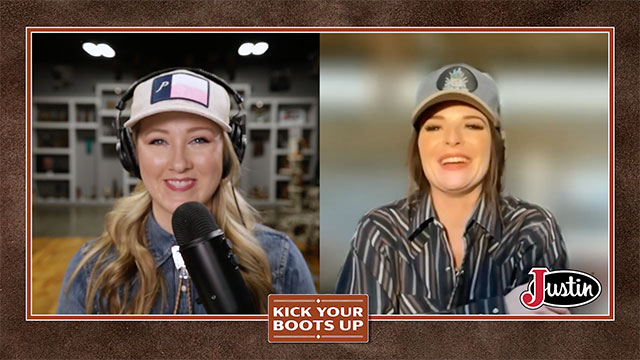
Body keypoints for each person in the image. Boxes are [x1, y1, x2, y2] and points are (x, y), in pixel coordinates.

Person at [57, 68, 315, 314]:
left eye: (198, 140)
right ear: (132, 155)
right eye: (158, 141)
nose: (179, 163)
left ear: (228, 153)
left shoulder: (280, 261)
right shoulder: (93, 269)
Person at [335, 64, 569, 315]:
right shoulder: (380, 232)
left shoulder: (533, 230)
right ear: (418, 145)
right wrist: (500, 310)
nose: (452, 138)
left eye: (472, 126)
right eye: (434, 127)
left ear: (497, 143)